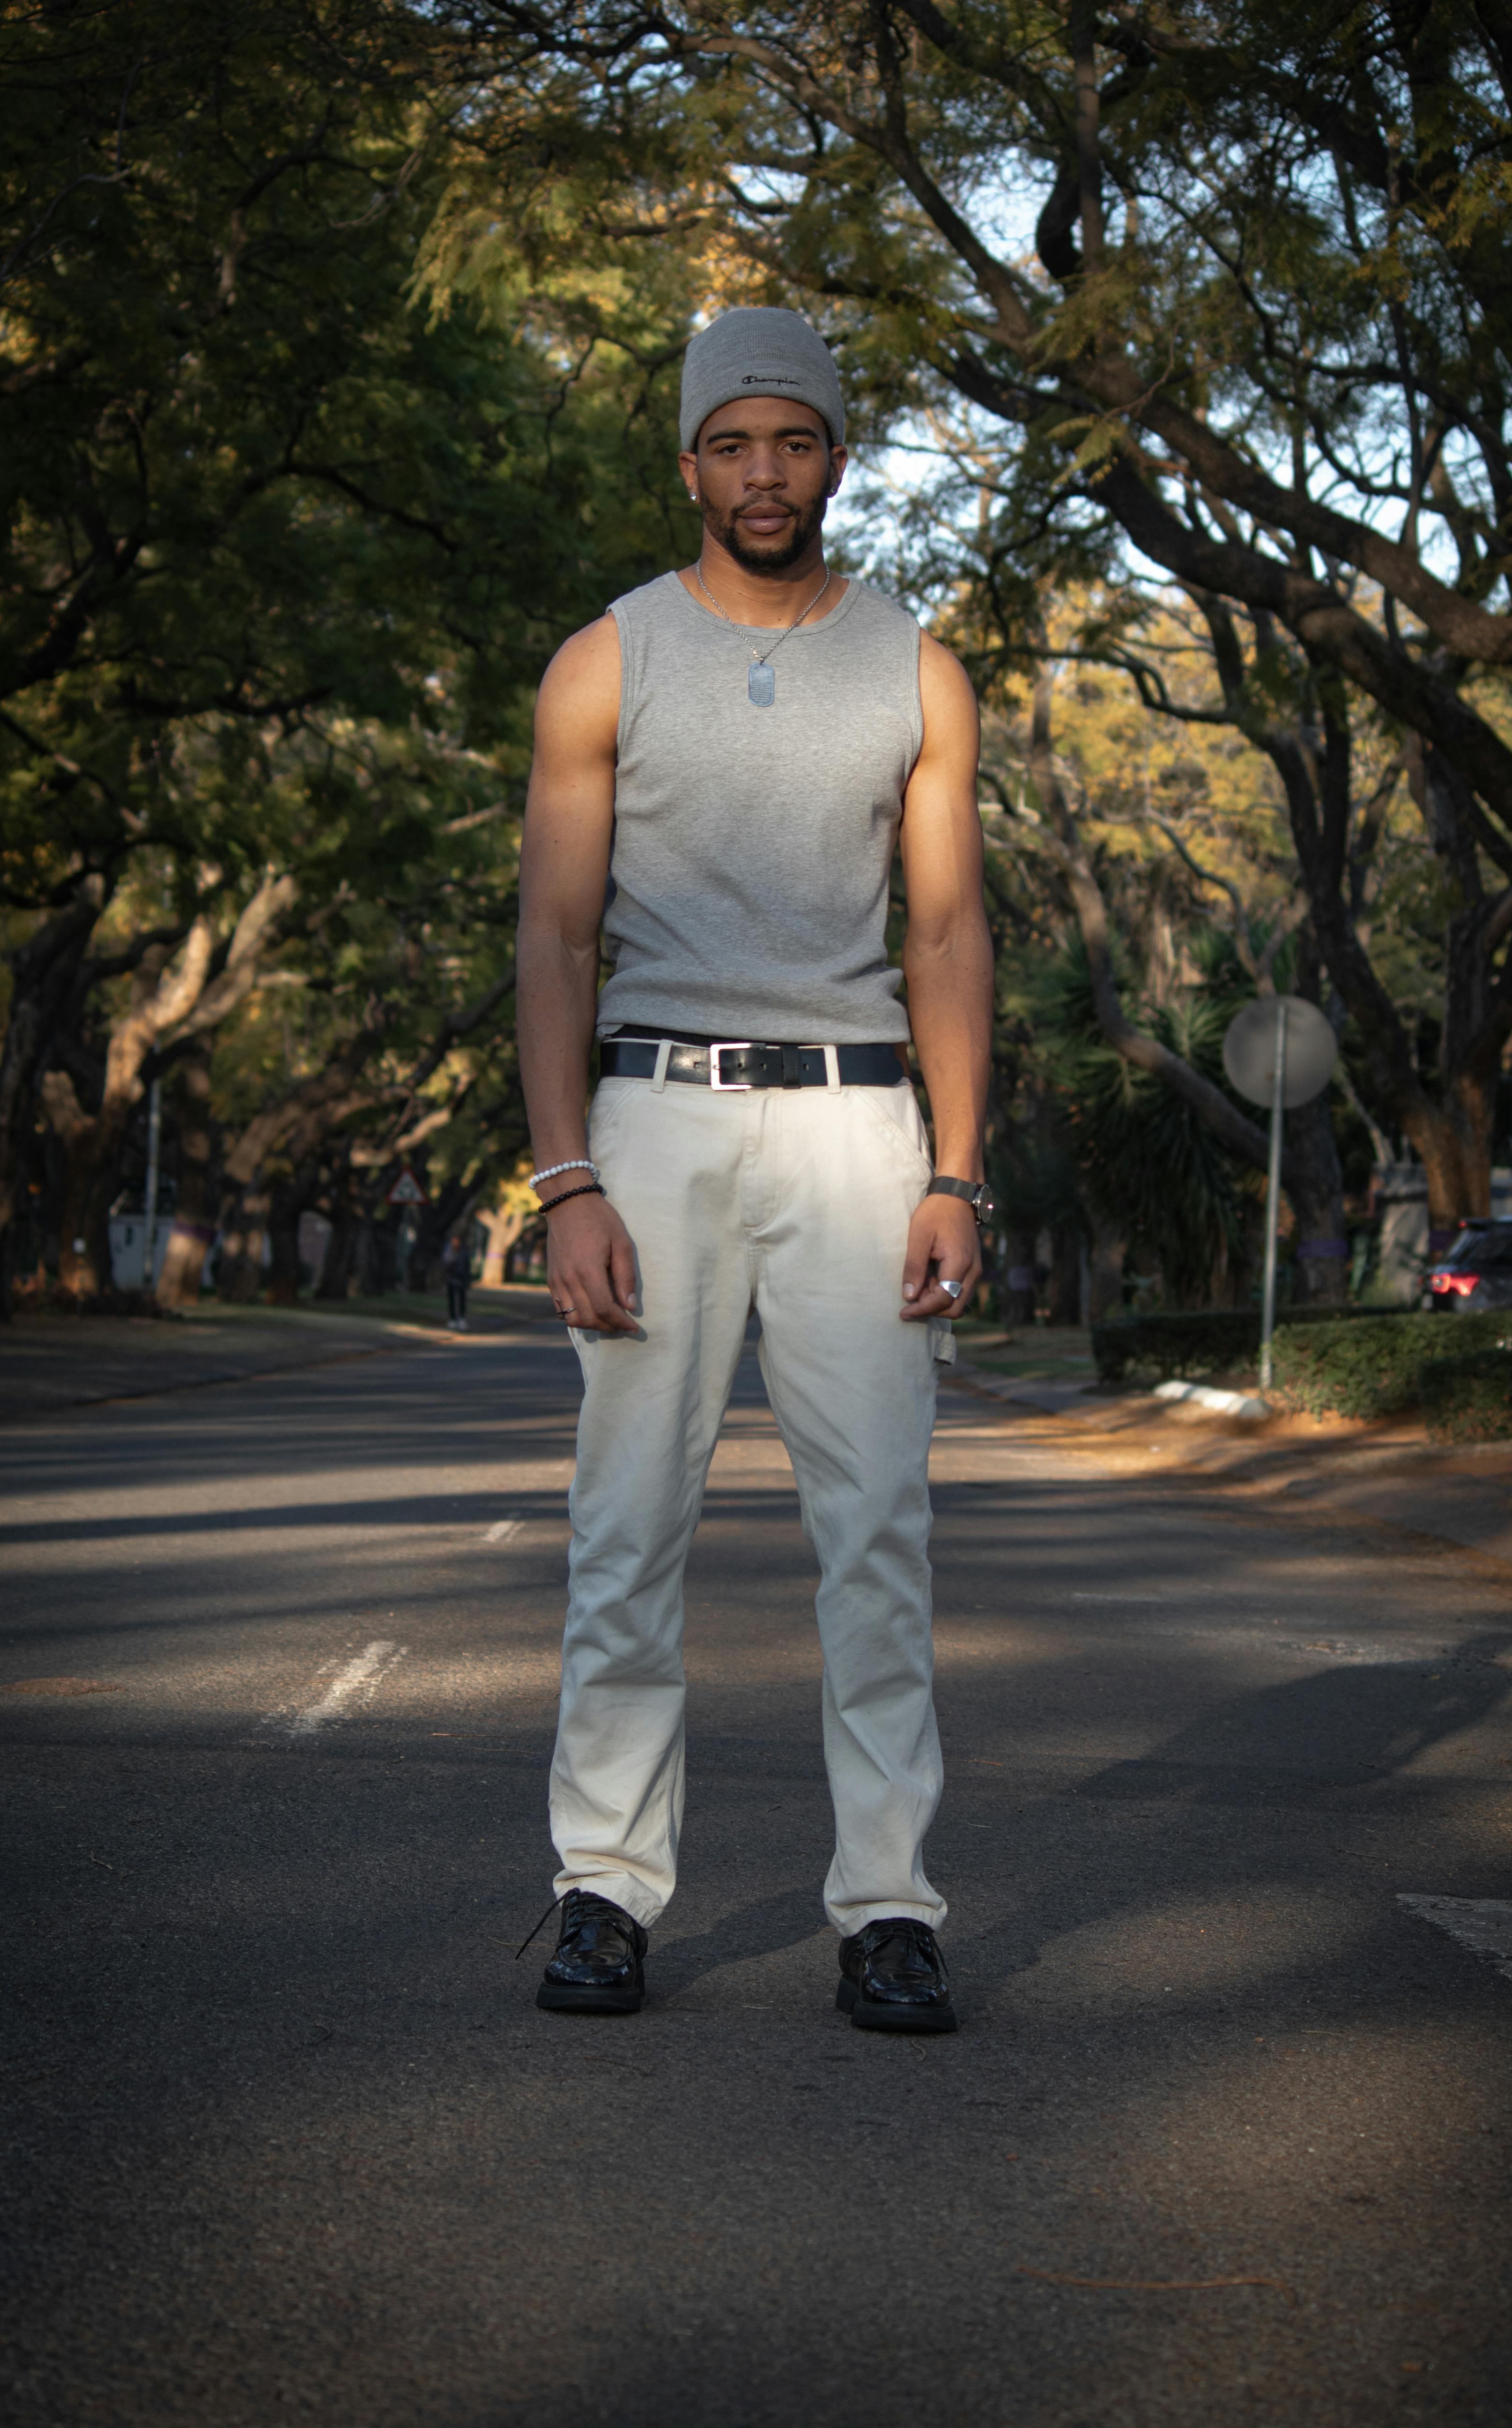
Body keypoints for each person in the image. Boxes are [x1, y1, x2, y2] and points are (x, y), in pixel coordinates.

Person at [516, 306, 993, 2032]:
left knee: (875, 1533)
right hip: (655, 1116)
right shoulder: (608, 661)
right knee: (627, 1526)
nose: (764, 471)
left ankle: (887, 1908)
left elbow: (944, 925)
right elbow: (556, 937)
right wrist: (567, 1179)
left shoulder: (914, 666)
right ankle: (602, 1894)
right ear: (691, 462)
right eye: (734, 443)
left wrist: (958, 1170)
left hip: (863, 1124)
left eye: (794, 441)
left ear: (837, 457)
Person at [442, 1233, 471, 1332]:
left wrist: (468, 1280)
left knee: (462, 1300)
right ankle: (452, 1319)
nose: (455, 1243)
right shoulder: (449, 1251)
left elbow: (467, 1267)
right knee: (452, 1300)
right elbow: (446, 1264)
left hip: (462, 1279)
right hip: (451, 1279)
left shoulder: (464, 1253)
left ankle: (462, 1319)